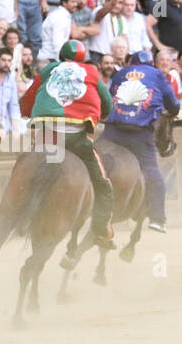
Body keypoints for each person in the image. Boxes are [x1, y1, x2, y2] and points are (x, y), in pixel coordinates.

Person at [20, 38, 116, 255]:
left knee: (25, 168)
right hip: (77, 139)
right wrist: (103, 115)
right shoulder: (91, 71)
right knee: (102, 184)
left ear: (61, 57)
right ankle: (102, 230)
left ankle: (10, 209)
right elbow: (107, 103)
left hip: (48, 137)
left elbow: (28, 98)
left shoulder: (48, 69)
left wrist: (25, 111)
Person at [101, 49, 179, 232]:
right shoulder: (158, 74)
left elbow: (110, 96)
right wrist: (172, 111)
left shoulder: (120, 73)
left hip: (113, 130)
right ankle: (157, 218)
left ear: (131, 63)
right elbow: (173, 104)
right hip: (140, 134)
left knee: (92, 160)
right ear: (151, 63)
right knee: (152, 172)